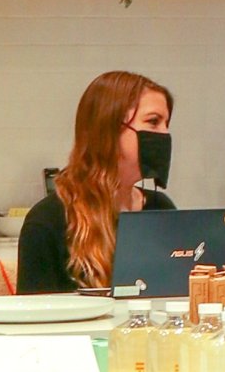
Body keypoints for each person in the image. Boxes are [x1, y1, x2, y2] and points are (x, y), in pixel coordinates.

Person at [17, 71, 175, 294]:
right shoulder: (49, 220)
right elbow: (32, 319)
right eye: (153, 122)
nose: (164, 134)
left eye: (166, 124)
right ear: (109, 128)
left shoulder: (159, 209)